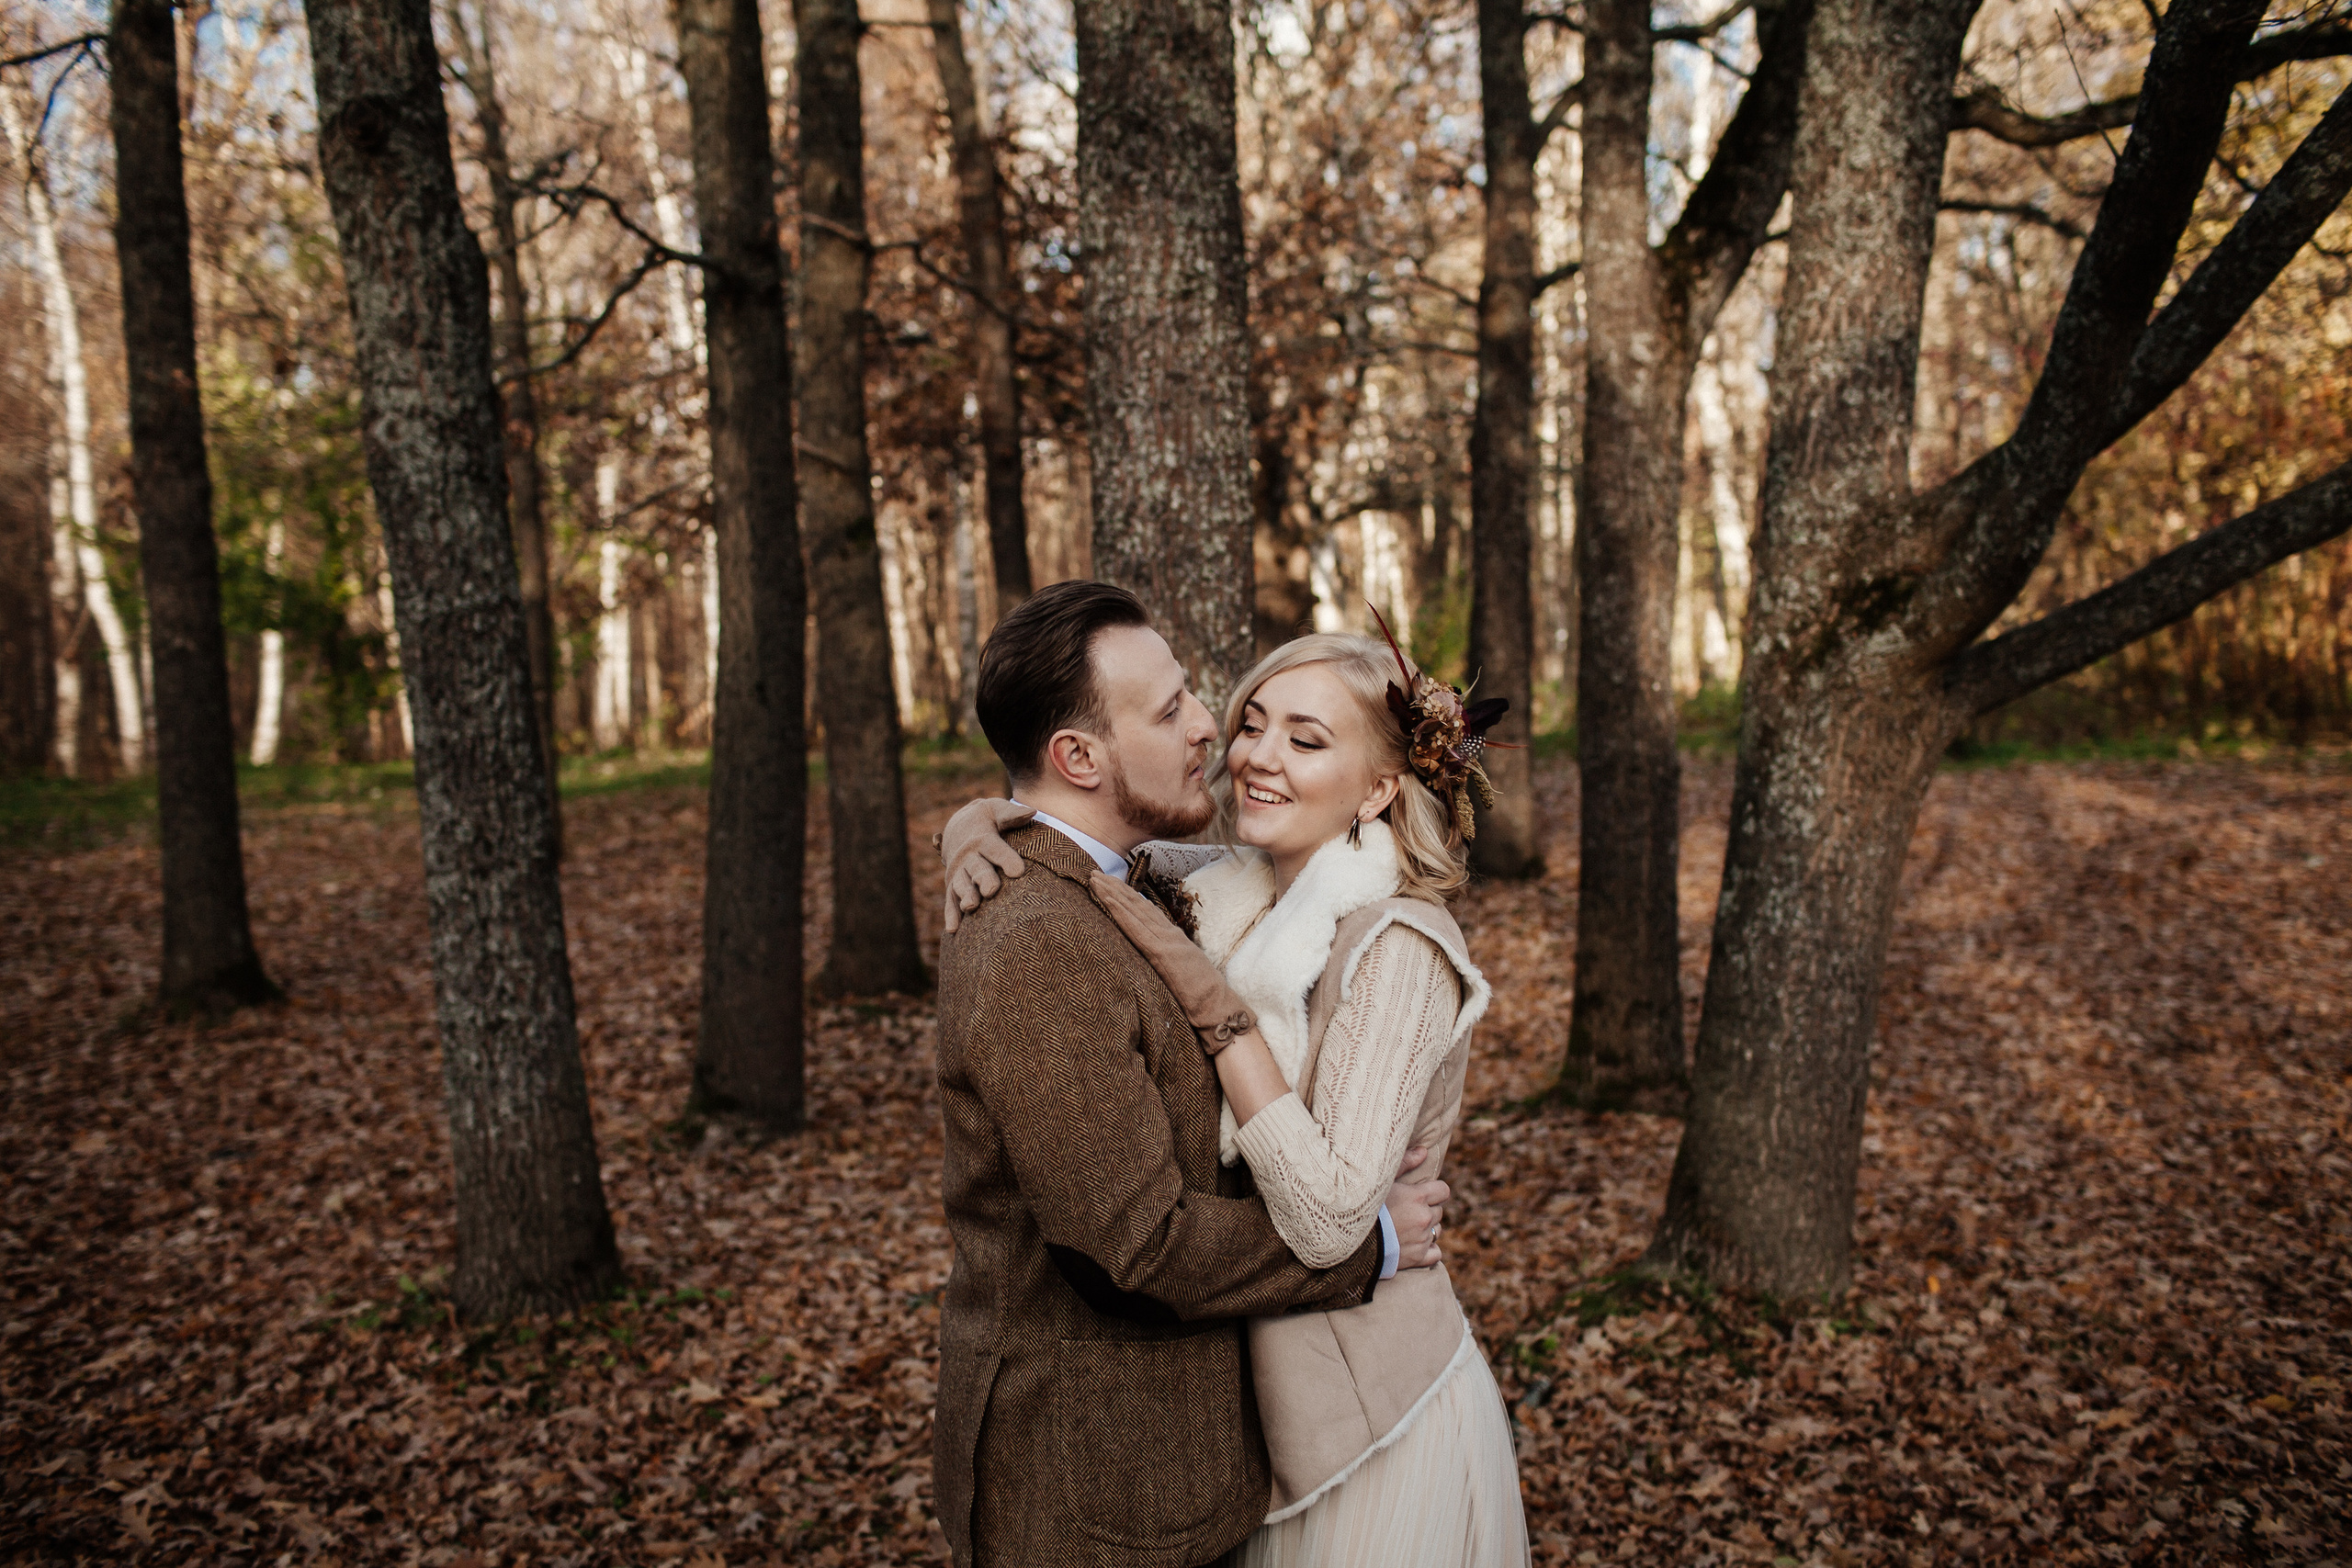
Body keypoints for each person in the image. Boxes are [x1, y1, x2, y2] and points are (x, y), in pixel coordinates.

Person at [942, 612, 1531, 1568]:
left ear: (1380, 787)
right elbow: (1065, 848)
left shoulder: (1397, 946)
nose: (1239, 745)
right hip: (1226, 1436)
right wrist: (971, 826)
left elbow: (1328, 1220)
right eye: (1253, 721)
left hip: (1364, 1418)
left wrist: (1222, 1017)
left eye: (1306, 739)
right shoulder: (1236, 891)